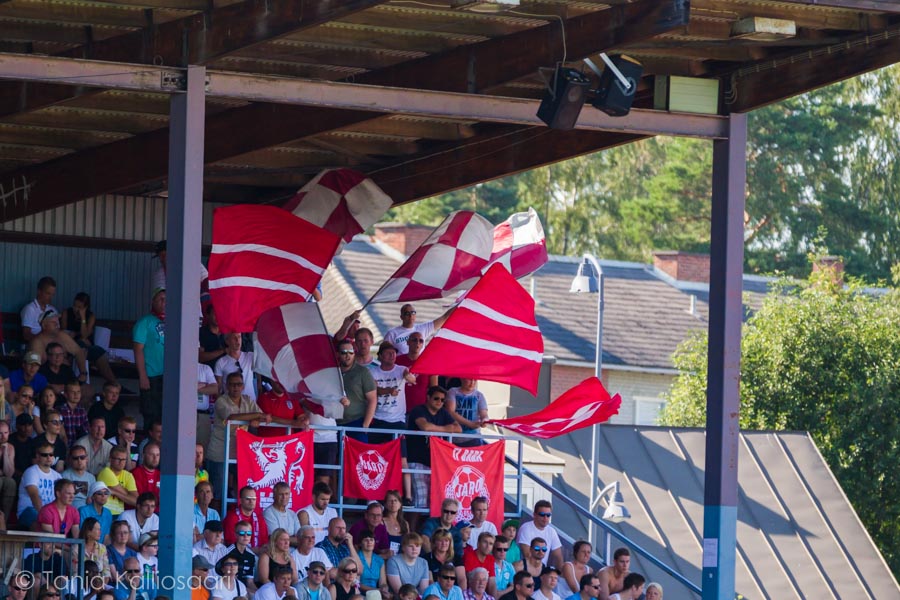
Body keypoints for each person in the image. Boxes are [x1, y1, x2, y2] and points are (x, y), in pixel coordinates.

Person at [207, 373, 270, 502]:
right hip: (219, 452)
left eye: (239, 384)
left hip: (239, 452)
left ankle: (237, 517)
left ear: (243, 386)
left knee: (240, 490)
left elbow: (262, 417)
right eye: (232, 384)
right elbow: (231, 417)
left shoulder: (247, 400)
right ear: (227, 386)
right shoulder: (221, 401)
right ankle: (217, 520)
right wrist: (254, 417)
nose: (236, 387)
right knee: (218, 494)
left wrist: (257, 418)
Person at [407, 386, 460, 510]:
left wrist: (435, 428)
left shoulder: (444, 413)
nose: (439, 402)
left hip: (436, 462)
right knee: (420, 499)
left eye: (442, 400)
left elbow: (458, 428)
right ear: (428, 397)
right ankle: (413, 528)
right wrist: (447, 429)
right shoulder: (418, 410)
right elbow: (424, 426)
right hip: (417, 459)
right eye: (436, 398)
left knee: (436, 498)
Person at [133, 287, 166, 428]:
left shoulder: (175, 321)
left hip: (168, 377)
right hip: (151, 376)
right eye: (161, 299)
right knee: (151, 415)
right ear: (153, 301)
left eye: (167, 299)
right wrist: (143, 376)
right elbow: (138, 350)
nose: (164, 302)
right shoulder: (144, 322)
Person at [336, 339, 376, 441]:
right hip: (334, 423)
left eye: (351, 352)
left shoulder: (363, 372)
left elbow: (372, 399)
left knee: (358, 456)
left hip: (356, 423)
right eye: (344, 352)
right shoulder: (332, 372)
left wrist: (365, 426)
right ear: (338, 354)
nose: (347, 355)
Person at [17, 440, 62, 528]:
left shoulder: (58, 476)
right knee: (41, 524)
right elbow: (34, 496)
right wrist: (45, 516)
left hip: (50, 512)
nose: (48, 457)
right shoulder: (31, 472)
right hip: (29, 510)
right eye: (45, 455)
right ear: (38, 456)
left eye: (51, 454)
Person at [383, 304, 452, 355]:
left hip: (419, 368)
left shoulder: (422, 328)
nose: (411, 316)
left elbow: (444, 318)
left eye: (413, 313)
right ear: (401, 317)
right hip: (401, 368)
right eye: (407, 313)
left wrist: (460, 304)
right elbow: (384, 354)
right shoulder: (392, 333)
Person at [394, 332, 434, 412]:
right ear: (408, 342)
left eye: (421, 341)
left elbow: (434, 389)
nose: (417, 343)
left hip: (421, 410)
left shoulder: (429, 363)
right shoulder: (397, 360)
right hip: (398, 409)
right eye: (414, 340)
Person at [216, 519, 258, 597]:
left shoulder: (251, 556)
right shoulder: (226, 551)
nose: (246, 536)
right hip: (228, 585)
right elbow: (221, 574)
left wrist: (259, 593)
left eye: (248, 533)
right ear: (235, 535)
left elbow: (250, 582)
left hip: (244, 589)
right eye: (242, 533)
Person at [516, 502, 562, 568]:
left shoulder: (552, 531)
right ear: (534, 515)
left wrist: (559, 574)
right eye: (542, 514)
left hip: (542, 571)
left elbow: (558, 556)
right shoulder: (526, 528)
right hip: (526, 571)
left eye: (548, 515)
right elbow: (527, 555)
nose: (545, 518)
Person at [214, 332, 257, 401]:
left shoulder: (250, 356)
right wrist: (222, 404)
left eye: (239, 337)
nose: (237, 340)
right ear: (227, 341)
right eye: (234, 337)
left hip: (250, 403)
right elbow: (218, 388)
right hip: (230, 404)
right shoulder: (221, 362)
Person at [223, 485, 269, 549]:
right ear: (241, 500)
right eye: (248, 499)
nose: (251, 501)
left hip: (259, 555)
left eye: (253, 499)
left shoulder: (259, 518)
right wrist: (252, 551)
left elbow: (265, 541)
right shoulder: (232, 518)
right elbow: (231, 544)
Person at [97, 446, 138, 516]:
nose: (121, 462)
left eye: (124, 459)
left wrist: (115, 492)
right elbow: (127, 495)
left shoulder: (128, 475)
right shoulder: (106, 472)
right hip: (104, 513)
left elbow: (136, 501)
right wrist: (128, 495)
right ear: (110, 459)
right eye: (118, 459)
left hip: (120, 514)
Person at [445, 379, 487, 447]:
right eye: (470, 379)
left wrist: (484, 420)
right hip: (454, 437)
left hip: (474, 438)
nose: (472, 383)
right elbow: (451, 412)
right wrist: (470, 424)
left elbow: (484, 413)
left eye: (475, 380)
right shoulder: (453, 391)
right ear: (462, 379)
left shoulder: (479, 395)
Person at [357, 529, 390, 599]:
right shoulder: (356, 558)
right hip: (359, 594)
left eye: (371, 540)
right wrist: (377, 590)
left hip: (376, 594)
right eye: (366, 540)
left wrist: (384, 588)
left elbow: (383, 582)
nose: (369, 542)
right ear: (360, 543)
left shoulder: (379, 560)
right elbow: (357, 584)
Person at [32, 408, 67, 472]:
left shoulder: (61, 445)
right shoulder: (36, 443)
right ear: (45, 425)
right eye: (54, 422)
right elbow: (35, 468)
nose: (58, 425)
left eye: (60, 422)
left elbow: (60, 469)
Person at [62, 442, 96, 508]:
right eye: (75, 458)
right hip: (69, 510)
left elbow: (92, 497)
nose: (79, 460)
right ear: (70, 460)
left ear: (87, 459)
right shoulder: (64, 476)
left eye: (82, 457)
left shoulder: (91, 478)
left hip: (87, 511)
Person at [81, 517, 113, 585]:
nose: (100, 532)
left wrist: (100, 588)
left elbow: (106, 572)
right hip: (82, 586)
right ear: (88, 532)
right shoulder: (77, 548)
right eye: (97, 529)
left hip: (100, 586)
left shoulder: (102, 548)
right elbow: (75, 573)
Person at [132, 442, 161, 509]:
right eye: (151, 454)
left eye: (157, 455)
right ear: (143, 455)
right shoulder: (135, 474)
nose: (155, 458)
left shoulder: (162, 476)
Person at [382, 489, 410, 554]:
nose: (393, 503)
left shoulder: (405, 524)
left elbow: (408, 543)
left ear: (400, 504)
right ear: (385, 504)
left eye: (395, 500)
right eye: (390, 501)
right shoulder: (381, 522)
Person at [0, 420, 15, 517]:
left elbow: (9, 473)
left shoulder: (10, 447)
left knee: (11, 482)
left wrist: (5, 452)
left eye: (5, 433)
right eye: (0, 433)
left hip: (3, 477)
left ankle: (4, 520)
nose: (3, 436)